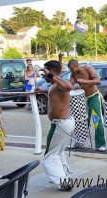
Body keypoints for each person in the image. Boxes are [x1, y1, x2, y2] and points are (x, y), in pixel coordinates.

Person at [35, 60, 75, 191]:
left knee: (50, 156)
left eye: (45, 73)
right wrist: (42, 90)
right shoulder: (55, 84)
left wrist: (51, 76)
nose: (43, 76)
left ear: (50, 72)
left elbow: (69, 87)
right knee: (58, 152)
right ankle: (65, 176)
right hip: (63, 123)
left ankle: (63, 182)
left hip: (61, 124)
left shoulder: (59, 82)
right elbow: (54, 91)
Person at [68, 59, 106, 151]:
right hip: (82, 98)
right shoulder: (73, 74)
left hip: (94, 97)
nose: (71, 71)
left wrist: (85, 82)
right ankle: (79, 142)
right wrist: (74, 87)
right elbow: (69, 84)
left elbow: (98, 81)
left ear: (76, 66)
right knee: (81, 121)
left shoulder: (88, 69)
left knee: (97, 121)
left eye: (72, 69)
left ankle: (100, 144)